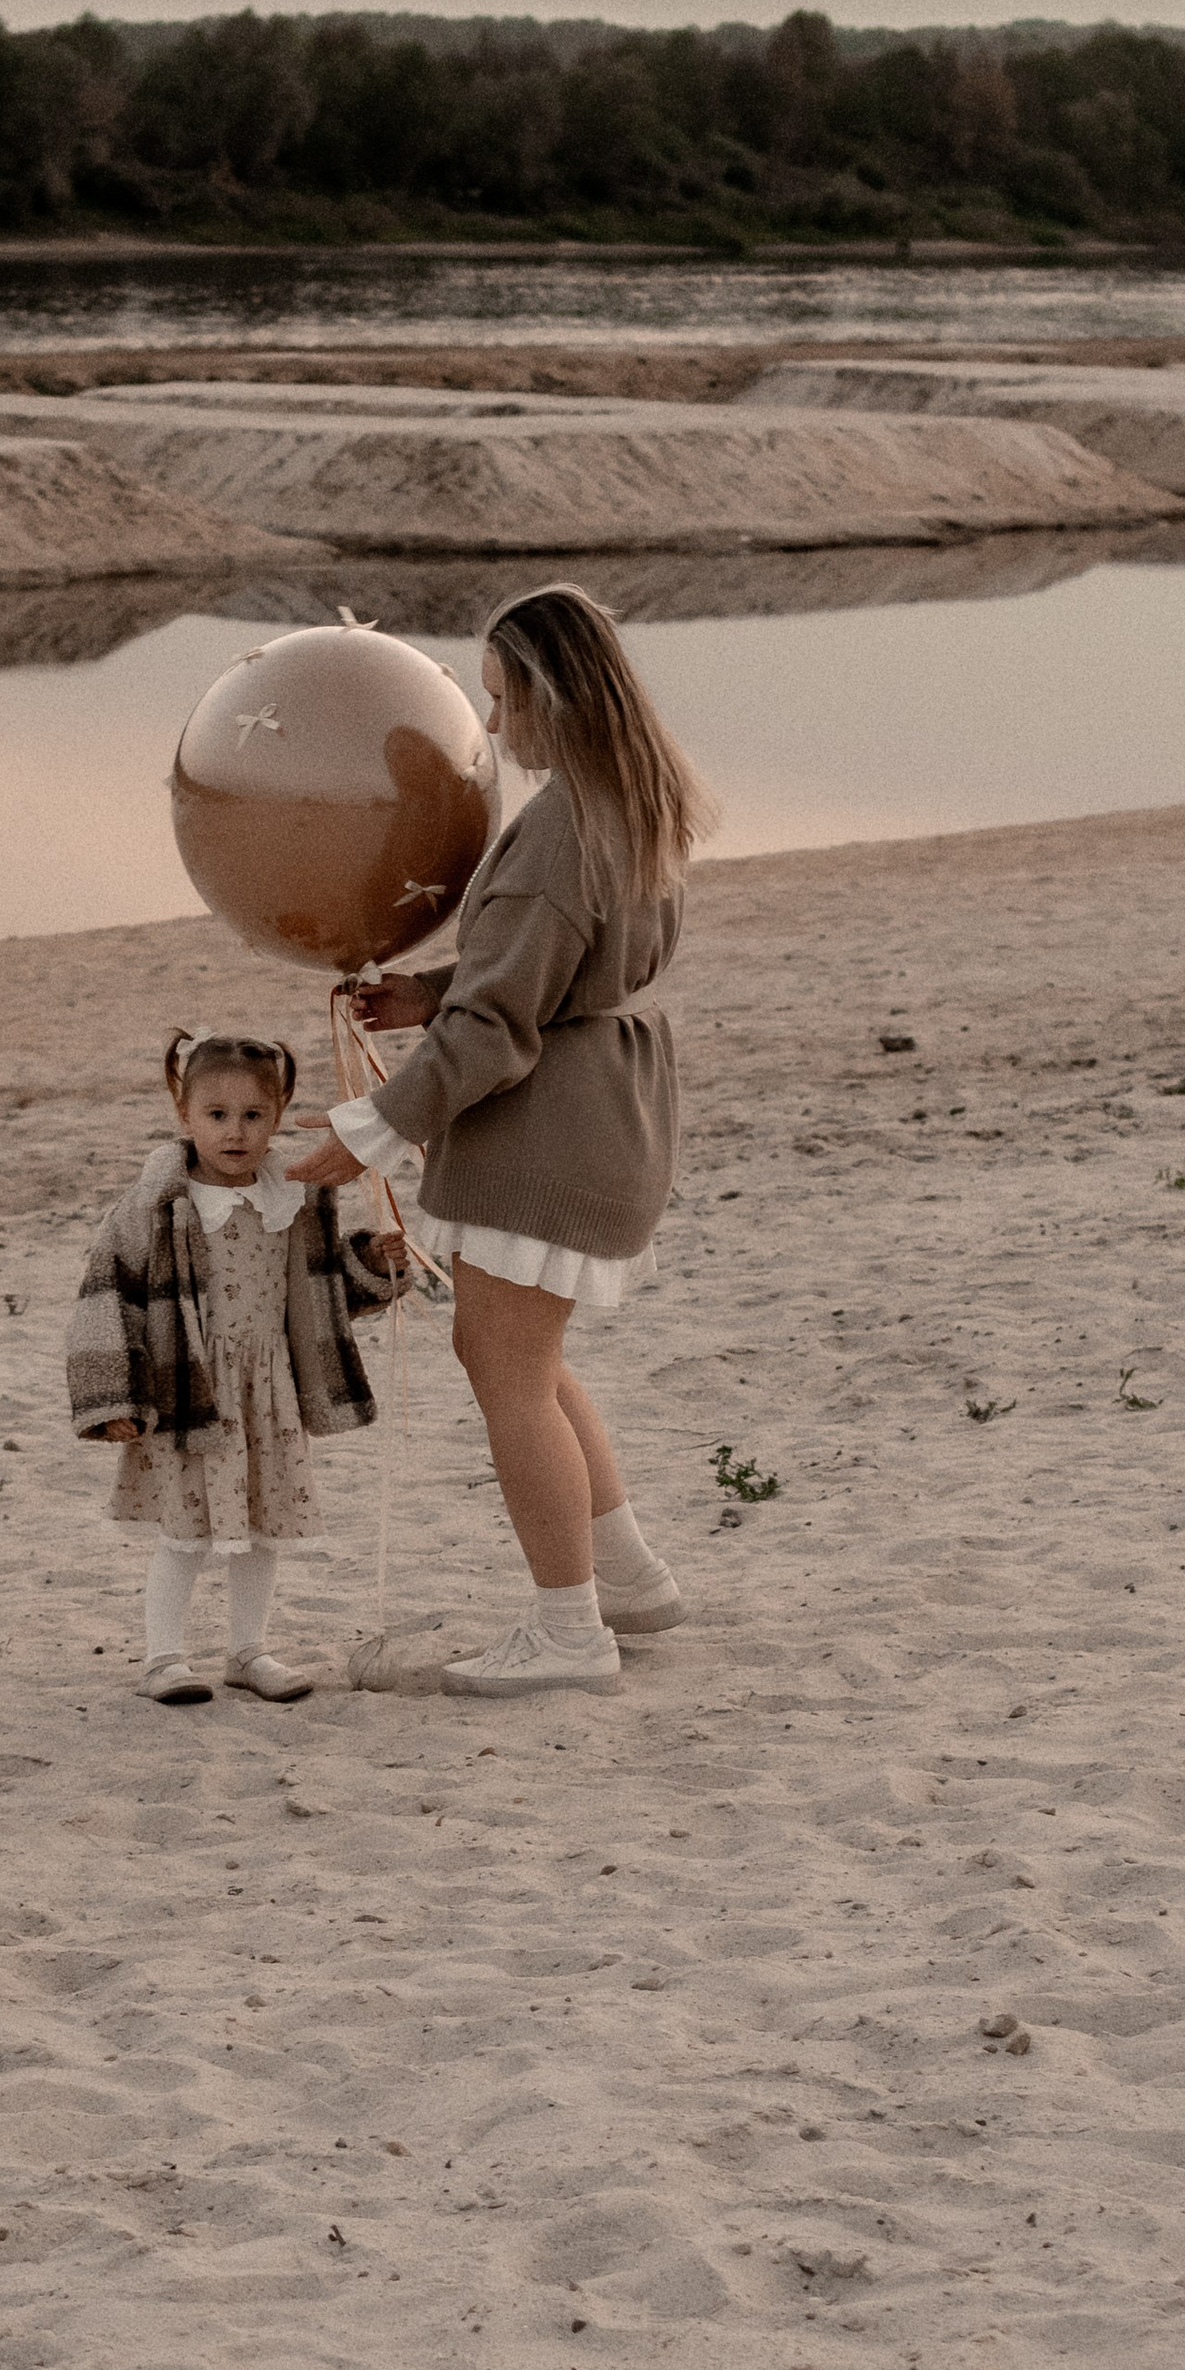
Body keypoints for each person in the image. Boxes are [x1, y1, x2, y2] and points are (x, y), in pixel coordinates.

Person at [285, 585, 710, 1699]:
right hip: (609, 1110)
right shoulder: (630, 804)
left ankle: (568, 1632)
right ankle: (627, 1580)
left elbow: (501, 1026)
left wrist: (370, 1129)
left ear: (552, 698)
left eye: (503, 700)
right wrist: (431, 991)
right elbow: (556, 970)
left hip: (551, 1130)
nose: (496, 728)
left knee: (504, 1369)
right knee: (533, 1359)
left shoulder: (563, 828)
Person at [67, 1032, 408, 1705]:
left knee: (263, 1524)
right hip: (186, 1388)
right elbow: (106, 1297)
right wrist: (111, 1400)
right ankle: (164, 1658)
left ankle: (248, 1650)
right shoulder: (154, 1207)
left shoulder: (293, 1194)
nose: (236, 1132)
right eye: (217, 1115)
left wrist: (370, 1261)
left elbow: (317, 1293)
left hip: (268, 1393)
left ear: (277, 1116)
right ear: (183, 1113)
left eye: (254, 1115)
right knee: (186, 1532)